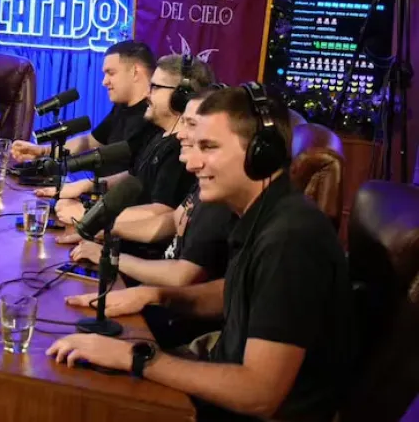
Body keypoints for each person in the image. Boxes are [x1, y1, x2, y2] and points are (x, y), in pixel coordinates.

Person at [47, 85, 353, 422]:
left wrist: (135, 357)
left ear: (260, 152)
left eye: (208, 147)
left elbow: (259, 394)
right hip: (224, 376)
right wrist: (155, 295)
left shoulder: (290, 240)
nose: (191, 163)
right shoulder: (262, 213)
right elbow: (240, 291)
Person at [46, 55, 216, 257]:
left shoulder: (182, 151)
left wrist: (91, 216)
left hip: (140, 255)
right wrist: (86, 186)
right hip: (118, 242)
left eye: (155, 87)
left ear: (181, 97)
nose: (147, 94)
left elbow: (161, 212)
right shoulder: (156, 133)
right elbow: (136, 178)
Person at [67, 87, 236, 287]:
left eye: (191, 124)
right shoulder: (203, 182)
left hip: (162, 295)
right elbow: (170, 221)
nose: (180, 134)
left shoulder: (219, 195)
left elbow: (182, 276)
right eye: (183, 122)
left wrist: (113, 259)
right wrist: (106, 229)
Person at [10, 41, 160, 176]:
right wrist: (42, 151)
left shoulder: (155, 117)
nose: (104, 82)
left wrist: (82, 187)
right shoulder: (121, 107)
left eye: (111, 73)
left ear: (135, 71)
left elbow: (136, 176)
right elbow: (90, 142)